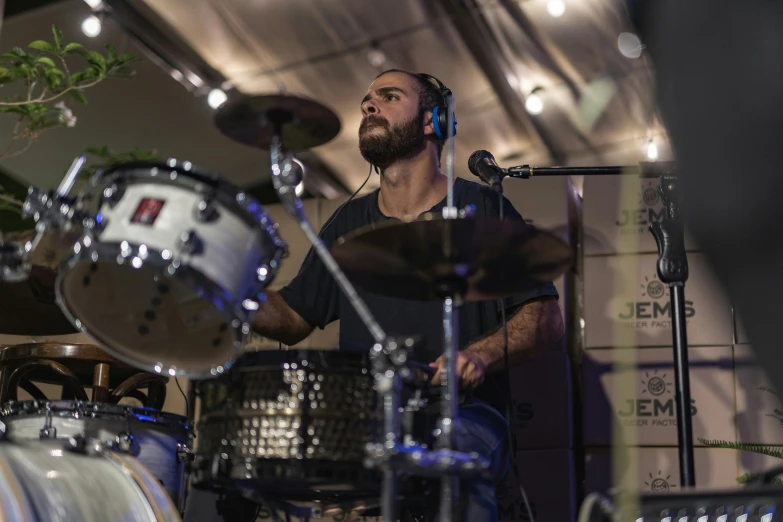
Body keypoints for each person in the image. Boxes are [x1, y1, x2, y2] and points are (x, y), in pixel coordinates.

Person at [183, 69, 564, 522]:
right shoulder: (348, 223)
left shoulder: (483, 208)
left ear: (432, 121)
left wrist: (478, 357)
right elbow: (291, 317)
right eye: (366, 99)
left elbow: (543, 318)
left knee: (450, 462)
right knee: (228, 466)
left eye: (388, 96)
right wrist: (222, 287)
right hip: (362, 418)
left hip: (463, 412)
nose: (369, 105)